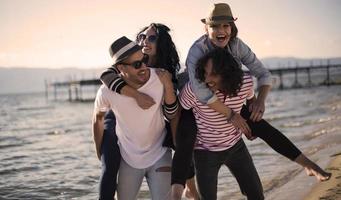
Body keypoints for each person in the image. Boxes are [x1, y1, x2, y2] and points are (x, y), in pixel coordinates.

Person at [171, 2, 331, 198]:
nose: (221, 30)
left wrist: (259, 102)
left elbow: (263, 74)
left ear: (232, 27)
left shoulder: (236, 46)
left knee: (259, 124)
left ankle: (307, 164)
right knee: (186, 137)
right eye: (215, 26)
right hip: (196, 91)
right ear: (206, 29)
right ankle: (186, 188)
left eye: (226, 25)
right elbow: (201, 89)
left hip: (229, 88)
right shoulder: (197, 51)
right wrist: (232, 115)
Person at [100, 23, 200, 199]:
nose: (145, 41)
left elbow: (171, 110)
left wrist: (176, 137)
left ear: (162, 44)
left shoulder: (165, 71)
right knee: (109, 164)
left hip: (156, 117)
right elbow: (106, 76)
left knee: (183, 137)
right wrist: (134, 94)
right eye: (141, 37)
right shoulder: (129, 59)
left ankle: (190, 187)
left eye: (152, 38)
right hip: (118, 116)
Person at [92, 36, 178, 199]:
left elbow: (172, 114)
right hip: (128, 159)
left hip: (159, 154)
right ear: (120, 68)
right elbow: (98, 118)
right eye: (137, 64)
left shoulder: (159, 78)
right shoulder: (106, 92)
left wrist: (167, 86)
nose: (144, 67)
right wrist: (99, 149)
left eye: (144, 59)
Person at [180, 48, 264, 199]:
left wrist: (250, 126)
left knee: (256, 195)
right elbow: (179, 112)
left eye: (213, 74)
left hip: (236, 147)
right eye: (205, 73)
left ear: (227, 73)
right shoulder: (194, 90)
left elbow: (251, 99)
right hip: (205, 152)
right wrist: (185, 142)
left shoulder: (245, 82)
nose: (206, 80)